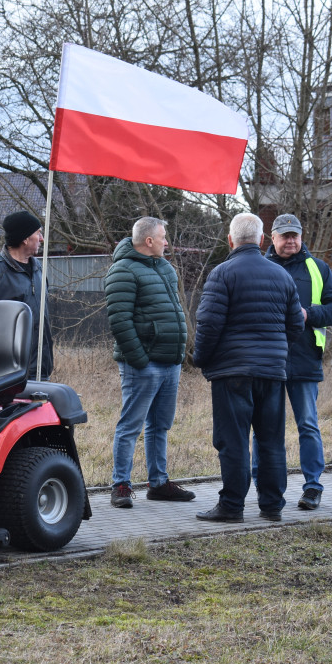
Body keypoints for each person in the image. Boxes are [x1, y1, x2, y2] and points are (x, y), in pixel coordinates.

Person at [193, 212, 304, 523]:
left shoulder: (222, 273)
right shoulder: (282, 276)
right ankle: (272, 507)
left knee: (234, 440)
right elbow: (296, 325)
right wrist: (276, 353)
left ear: (231, 240)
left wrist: (201, 359)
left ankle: (231, 506)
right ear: (262, 240)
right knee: (270, 441)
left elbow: (208, 324)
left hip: (232, 373)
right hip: (272, 372)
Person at [252, 214, 332, 510]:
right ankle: (264, 487)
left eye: (295, 235)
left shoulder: (317, 268)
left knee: (307, 424)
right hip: (267, 361)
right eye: (285, 235)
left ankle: (312, 487)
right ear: (272, 238)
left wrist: (309, 314)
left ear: (301, 236)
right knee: (265, 428)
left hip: (305, 361)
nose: (291, 240)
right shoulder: (260, 268)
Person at [105, 216, 195, 508]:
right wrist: (140, 360)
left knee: (160, 425)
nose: (167, 242)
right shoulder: (122, 270)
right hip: (143, 364)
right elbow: (119, 320)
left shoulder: (166, 269)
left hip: (170, 362)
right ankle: (121, 485)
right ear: (149, 241)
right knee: (131, 425)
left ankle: (158, 483)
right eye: (163, 236)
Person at [0, 210, 53, 380]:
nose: (42, 239)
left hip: (40, 368)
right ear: (25, 238)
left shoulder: (38, 269)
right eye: (38, 233)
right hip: (5, 373)